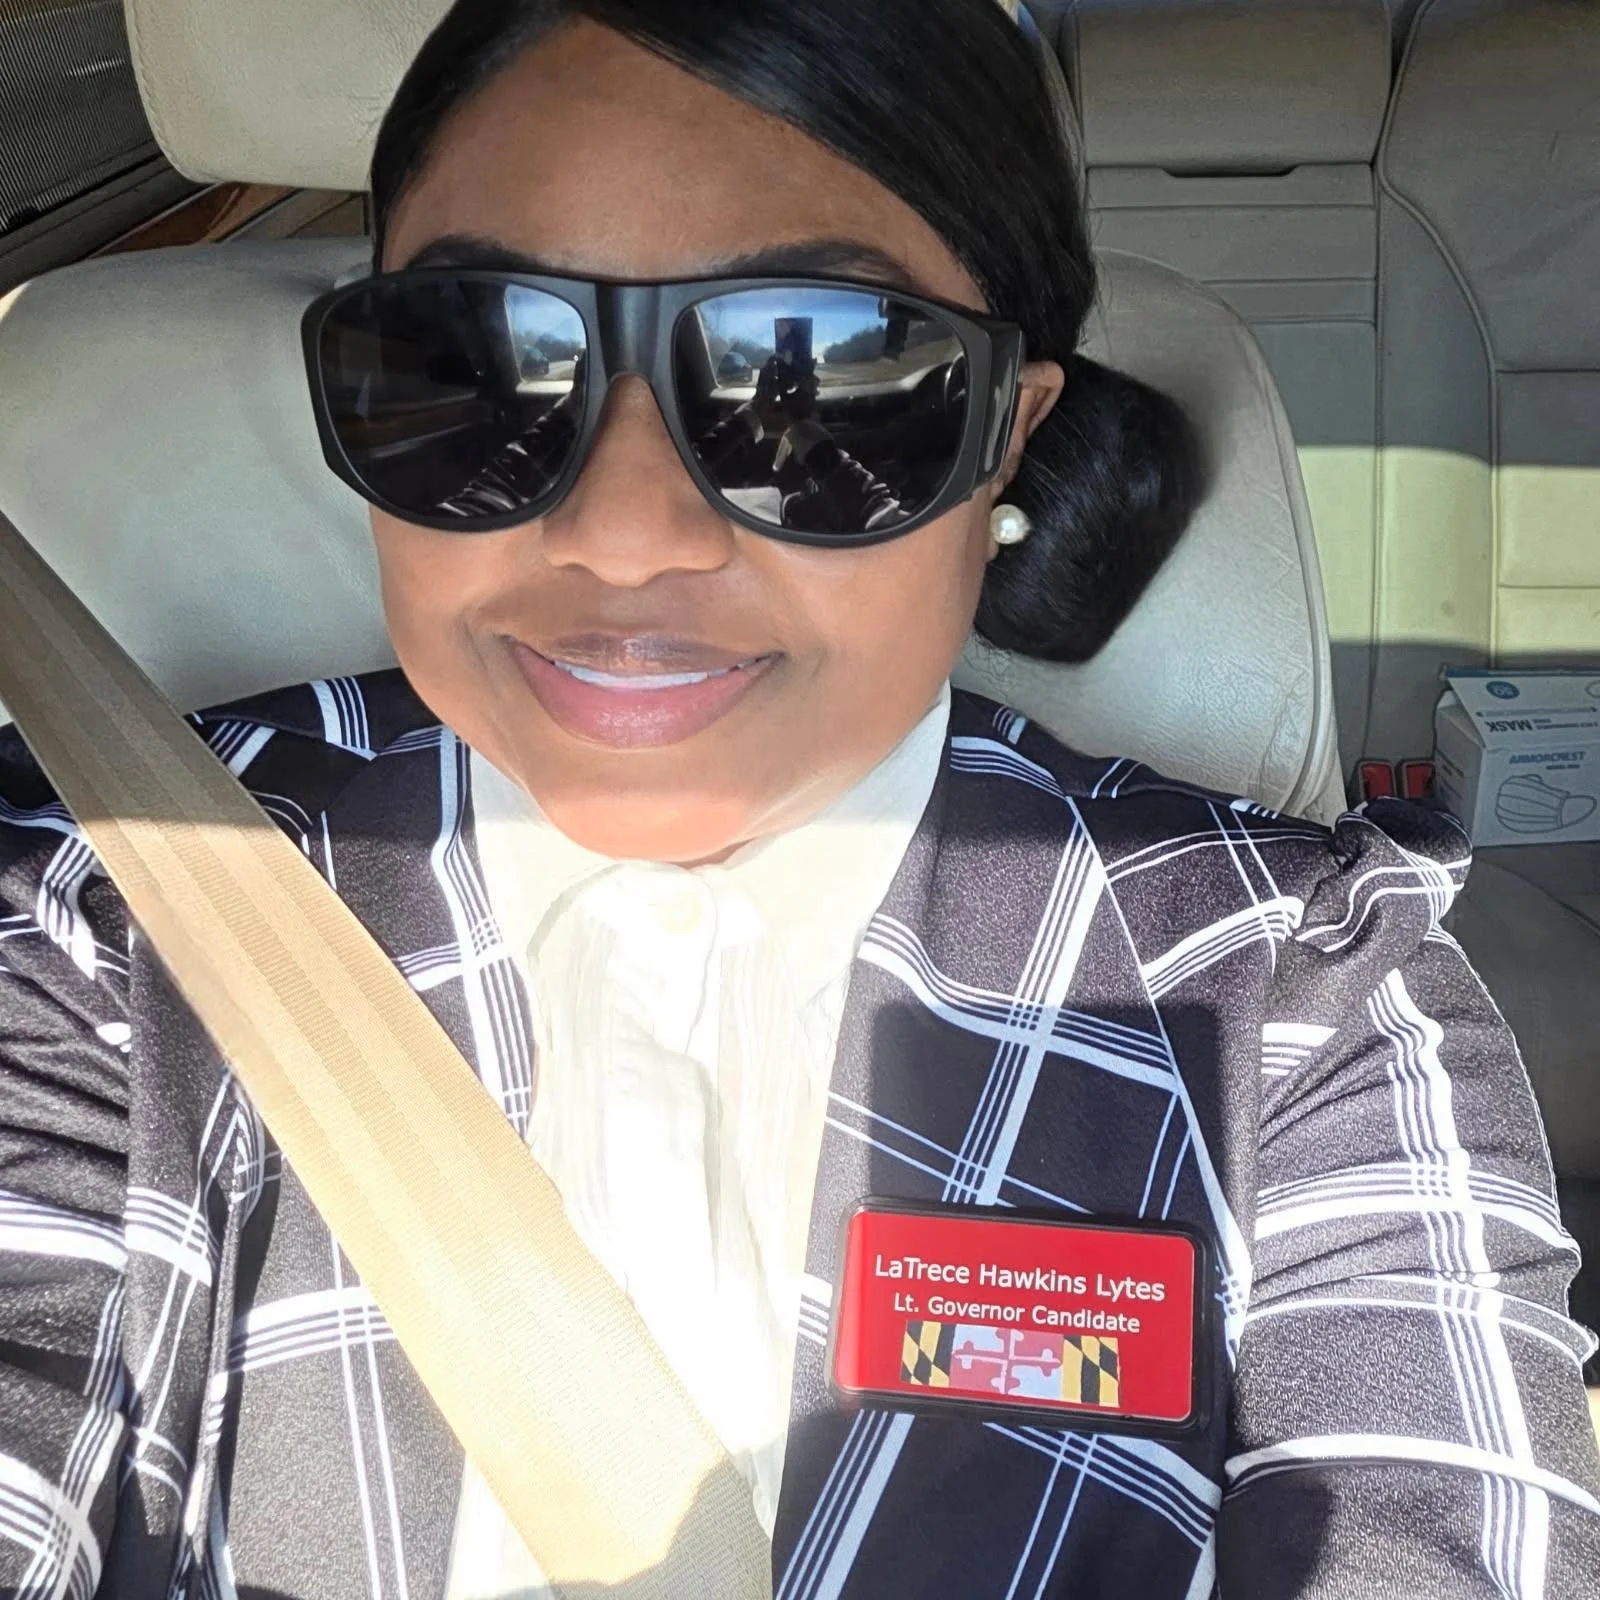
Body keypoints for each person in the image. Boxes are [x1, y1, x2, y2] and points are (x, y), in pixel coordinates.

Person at [1, 1, 1597, 1596]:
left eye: (829, 384)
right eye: (478, 367)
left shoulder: (1297, 995)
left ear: (1004, 449)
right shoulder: (105, 906)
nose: (628, 536)